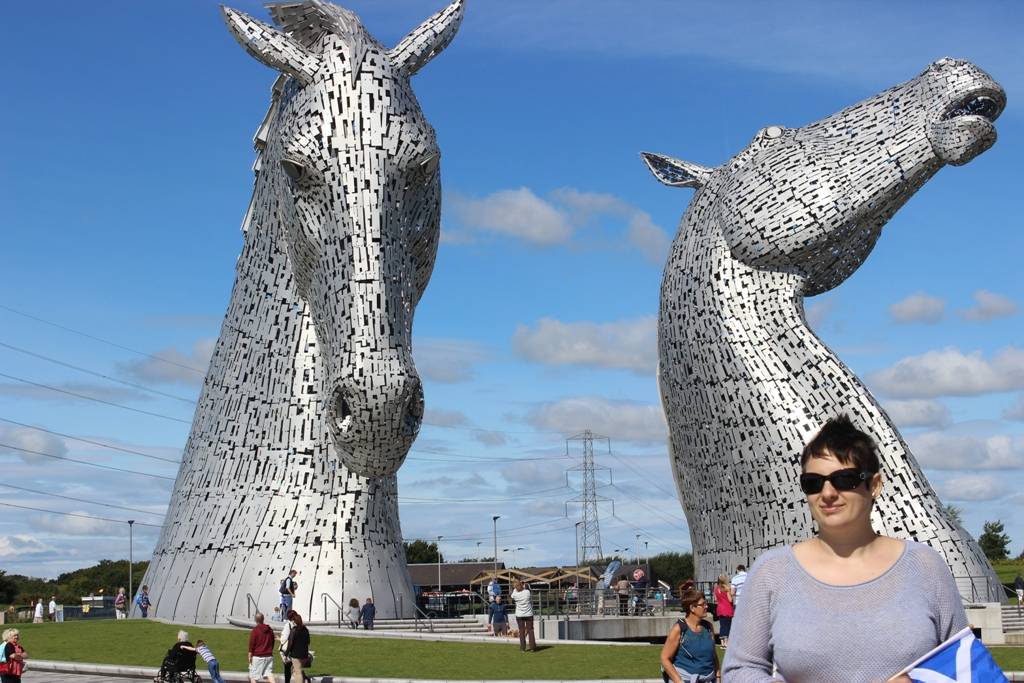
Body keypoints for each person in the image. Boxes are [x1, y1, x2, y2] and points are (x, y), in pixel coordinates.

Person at [722, 415, 969, 683]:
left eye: (844, 479)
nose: (827, 493)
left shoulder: (925, 566)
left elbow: (965, 667)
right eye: (813, 482)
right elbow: (739, 670)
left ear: (875, 485)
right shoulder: (772, 572)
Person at [660, 588, 718, 683]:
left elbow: (714, 656)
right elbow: (664, 658)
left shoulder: (708, 627)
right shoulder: (679, 629)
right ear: (692, 608)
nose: (706, 606)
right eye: (703, 604)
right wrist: (679, 681)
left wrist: (718, 677)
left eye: (706, 603)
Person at [283, 610, 311, 683]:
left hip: (296, 655)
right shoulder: (306, 630)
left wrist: (286, 654)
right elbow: (308, 642)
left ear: (295, 621)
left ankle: (303, 680)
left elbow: (290, 643)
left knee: (297, 672)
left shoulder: (294, 630)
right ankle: (306, 679)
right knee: (296, 670)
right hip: (304, 655)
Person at [248, 612, 275, 683]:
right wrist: (269, 650)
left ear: (255, 620)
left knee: (253, 677)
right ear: (263, 619)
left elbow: (251, 645)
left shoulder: (255, 630)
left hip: (258, 656)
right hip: (269, 655)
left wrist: (250, 656)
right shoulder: (270, 630)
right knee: (269, 674)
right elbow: (272, 642)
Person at [510, 579, 536, 652]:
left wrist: (516, 586)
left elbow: (511, 596)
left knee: (521, 631)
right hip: (528, 614)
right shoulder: (527, 592)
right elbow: (526, 588)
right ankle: (532, 647)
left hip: (519, 615)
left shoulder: (515, 594)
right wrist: (522, 584)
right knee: (530, 630)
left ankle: (522, 648)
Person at [711, 575, 734, 647]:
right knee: (727, 626)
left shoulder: (716, 589)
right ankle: (726, 643)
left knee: (722, 626)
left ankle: (722, 643)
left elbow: (715, 599)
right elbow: (730, 600)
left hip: (720, 609)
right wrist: (731, 594)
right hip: (727, 609)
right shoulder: (726, 589)